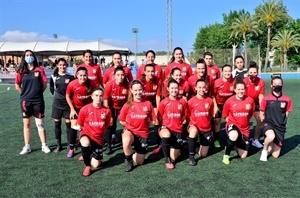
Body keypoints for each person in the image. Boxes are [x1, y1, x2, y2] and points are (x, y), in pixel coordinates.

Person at [15, 49, 51, 154]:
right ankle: (27, 146)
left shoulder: (39, 70)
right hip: (25, 102)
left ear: (34, 57)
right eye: (27, 55)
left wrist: (37, 93)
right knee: (26, 124)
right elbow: (17, 86)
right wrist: (25, 95)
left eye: (30, 55)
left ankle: (44, 145)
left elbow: (44, 84)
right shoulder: (21, 71)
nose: (29, 56)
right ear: (24, 57)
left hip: (38, 101)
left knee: (40, 124)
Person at [119, 80, 156, 172]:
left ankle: (134, 151)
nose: (138, 92)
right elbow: (121, 121)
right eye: (135, 90)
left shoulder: (148, 104)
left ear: (143, 90)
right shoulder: (128, 104)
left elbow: (153, 121)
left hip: (143, 133)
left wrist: (143, 126)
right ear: (131, 90)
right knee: (126, 141)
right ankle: (129, 162)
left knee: (140, 162)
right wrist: (131, 126)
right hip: (130, 131)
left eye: (140, 90)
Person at [77, 88, 112, 176]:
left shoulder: (107, 111)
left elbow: (107, 124)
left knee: (96, 164)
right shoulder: (85, 109)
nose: (98, 98)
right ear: (92, 96)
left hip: (98, 139)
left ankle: (87, 154)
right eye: (96, 95)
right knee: (85, 143)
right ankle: (87, 166)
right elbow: (80, 124)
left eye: (100, 96)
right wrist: (81, 137)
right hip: (87, 134)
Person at [222, 79, 255, 164]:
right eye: (238, 89)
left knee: (243, 155)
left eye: (242, 89)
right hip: (233, 125)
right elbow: (225, 116)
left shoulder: (250, 100)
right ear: (235, 90)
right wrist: (230, 127)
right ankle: (226, 155)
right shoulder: (229, 101)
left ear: (245, 89)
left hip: (245, 129)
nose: (241, 91)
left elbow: (250, 114)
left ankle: (232, 145)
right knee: (233, 135)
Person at [259, 76, 293, 161]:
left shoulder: (287, 99)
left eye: (279, 84)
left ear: (282, 85)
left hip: (280, 127)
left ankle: (270, 143)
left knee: (275, 155)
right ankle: (264, 150)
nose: (277, 85)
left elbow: (287, 113)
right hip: (268, 124)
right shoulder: (266, 99)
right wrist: (264, 124)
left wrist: (282, 122)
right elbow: (261, 113)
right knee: (271, 136)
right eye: (275, 84)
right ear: (271, 85)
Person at [66, 67, 96, 158]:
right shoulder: (72, 84)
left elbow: (95, 94)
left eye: (85, 75)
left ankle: (88, 148)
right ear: (77, 75)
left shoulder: (92, 83)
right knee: (74, 127)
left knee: (88, 128)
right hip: (76, 108)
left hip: (87, 109)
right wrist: (72, 109)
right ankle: (72, 148)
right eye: (81, 75)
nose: (83, 77)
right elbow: (67, 96)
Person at [157, 79, 187, 169]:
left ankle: (164, 146)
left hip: (177, 130)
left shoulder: (182, 102)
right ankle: (167, 159)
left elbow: (184, 116)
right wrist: (163, 127)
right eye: (172, 88)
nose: (174, 90)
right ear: (168, 89)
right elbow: (159, 116)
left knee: (175, 156)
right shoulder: (164, 102)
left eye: (176, 88)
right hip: (166, 128)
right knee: (166, 134)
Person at [50, 58, 75, 153]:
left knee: (69, 125)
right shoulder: (53, 76)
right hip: (57, 104)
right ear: (57, 66)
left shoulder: (71, 77)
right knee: (57, 124)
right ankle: (59, 145)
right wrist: (57, 97)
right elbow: (52, 89)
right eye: (60, 65)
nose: (62, 66)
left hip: (68, 104)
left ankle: (70, 144)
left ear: (66, 66)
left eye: (64, 65)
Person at [187, 79, 214, 166]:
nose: (201, 89)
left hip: (206, 128)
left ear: (206, 88)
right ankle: (191, 157)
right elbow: (187, 115)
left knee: (203, 154)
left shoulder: (209, 101)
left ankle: (194, 146)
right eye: (199, 87)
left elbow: (210, 115)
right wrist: (190, 125)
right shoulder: (191, 101)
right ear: (195, 88)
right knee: (193, 131)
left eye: (203, 87)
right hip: (194, 126)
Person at [103, 66, 129, 154]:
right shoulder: (109, 84)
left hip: (123, 107)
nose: (120, 77)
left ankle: (128, 142)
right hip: (112, 107)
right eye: (118, 75)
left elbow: (130, 99)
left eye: (122, 75)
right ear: (114, 76)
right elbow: (106, 99)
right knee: (110, 124)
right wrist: (107, 113)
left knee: (127, 123)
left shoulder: (128, 85)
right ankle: (109, 145)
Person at [139, 64, 163, 155]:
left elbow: (157, 97)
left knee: (157, 120)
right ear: (144, 72)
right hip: (142, 103)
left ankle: (159, 143)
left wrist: (159, 112)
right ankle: (142, 140)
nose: (150, 73)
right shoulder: (140, 81)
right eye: (148, 71)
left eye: (152, 71)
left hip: (152, 103)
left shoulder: (158, 81)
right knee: (142, 119)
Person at [243, 61, 265, 148]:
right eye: (251, 72)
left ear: (257, 73)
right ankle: (243, 138)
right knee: (244, 121)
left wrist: (262, 109)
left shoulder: (261, 82)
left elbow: (261, 96)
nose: (253, 74)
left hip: (255, 103)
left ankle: (255, 140)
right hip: (245, 102)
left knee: (260, 119)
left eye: (255, 72)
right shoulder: (244, 81)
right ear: (248, 73)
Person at [213, 64, 235, 148]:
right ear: (222, 72)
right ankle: (216, 139)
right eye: (225, 71)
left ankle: (230, 139)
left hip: (229, 105)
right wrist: (215, 106)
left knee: (230, 122)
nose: (227, 73)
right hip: (219, 104)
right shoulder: (217, 82)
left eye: (229, 71)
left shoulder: (234, 81)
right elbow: (213, 95)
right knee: (217, 122)